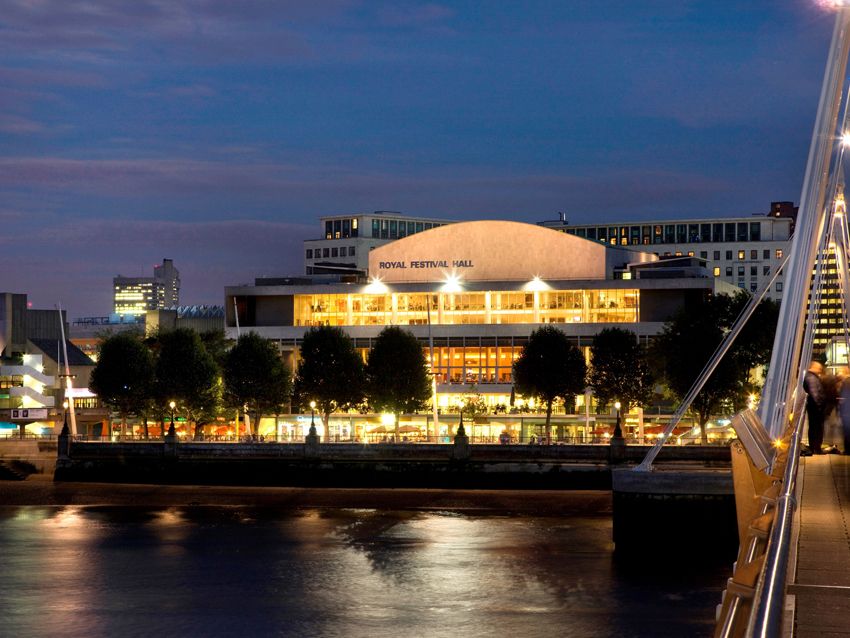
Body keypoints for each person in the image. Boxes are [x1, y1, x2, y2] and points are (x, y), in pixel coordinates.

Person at [803, 361, 827, 454]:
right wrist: (819, 405)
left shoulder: (810, 376)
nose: (820, 370)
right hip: (815, 408)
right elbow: (815, 393)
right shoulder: (811, 377)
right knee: (816, 427)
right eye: (819, 368)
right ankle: (816, 447)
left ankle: (815, 447)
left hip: (813, 407)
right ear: (814, 367)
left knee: (814, 427)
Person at [838, 367, 850, 454]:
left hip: (847, 411)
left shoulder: (846, 382)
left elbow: (844, 397)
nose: (838, 375)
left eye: (839, 372)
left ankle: (848, 450)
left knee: (847, 431)